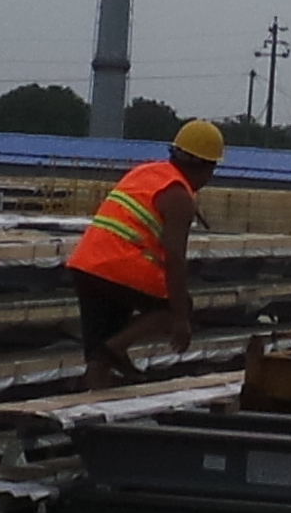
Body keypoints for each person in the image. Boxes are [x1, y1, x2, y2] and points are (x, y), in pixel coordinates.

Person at [68, 119, 225, 385]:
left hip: (86, 266)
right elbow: (175, 258)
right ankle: (115, 349)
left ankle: (91, 392)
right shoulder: (179, 197)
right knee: (176, 306)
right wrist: (181, 319)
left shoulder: (146, 172)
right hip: (119, 269)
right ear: (207, 168)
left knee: (98, 354)